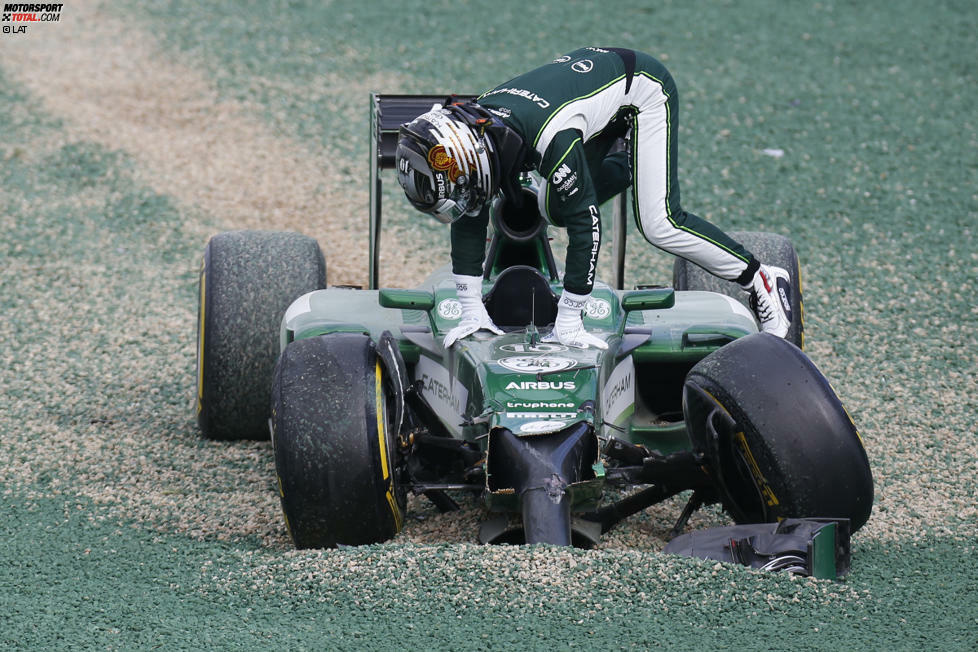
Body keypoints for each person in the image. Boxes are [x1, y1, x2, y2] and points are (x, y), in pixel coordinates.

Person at [395, 47, 792, 349]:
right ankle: (627, 160)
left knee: (659, 223)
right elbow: (472, 209)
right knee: (551, 208)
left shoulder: (551, 139)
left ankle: (760, 276)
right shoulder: (476, 127)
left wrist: (570, 318)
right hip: (588, 91)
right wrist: (470, 310)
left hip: (643, 91)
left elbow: (589, 225)